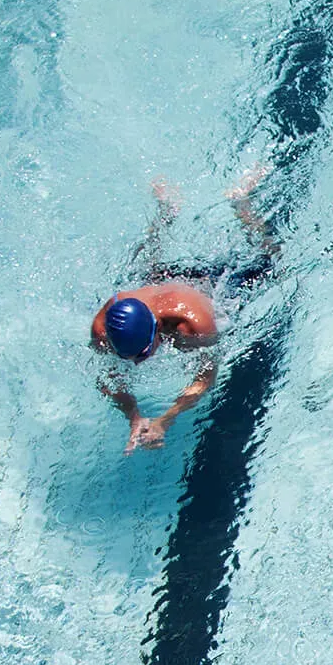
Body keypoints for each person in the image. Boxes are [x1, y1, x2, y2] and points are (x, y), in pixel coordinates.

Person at [92, 171, 273, 454]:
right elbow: (106, 378)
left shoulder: (193, 324)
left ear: (155, 329)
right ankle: (167, 210)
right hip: (162, 286)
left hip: (209, 284)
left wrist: (167, 419)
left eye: (142, 354)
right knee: (147, 267)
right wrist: (134, 416)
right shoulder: (103, 327)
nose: (138, 363)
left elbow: (206, 376)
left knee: (273, 260)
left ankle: (242, 206)